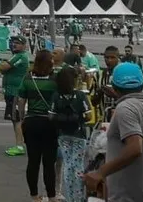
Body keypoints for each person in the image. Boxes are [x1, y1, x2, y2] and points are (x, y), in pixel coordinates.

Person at [83, 62, 143, 202]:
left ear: (114, 87)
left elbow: (135, 148)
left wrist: (100, 172)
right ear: (142, 85)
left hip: (129, 197)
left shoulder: (124, 108)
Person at [16, 49, 59, 202]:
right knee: (49, 162)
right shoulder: (55, 80)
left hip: (31, 122)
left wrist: (22, 119)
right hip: (49, 123)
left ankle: (34, 195)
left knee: (33, 161)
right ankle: (52, 196)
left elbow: (21, 101)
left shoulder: (28, 78)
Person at [54, 65, 93, 202]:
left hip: (63, 134)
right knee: (78, 166)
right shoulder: (80, 95)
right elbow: (89, 115)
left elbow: (51, 116)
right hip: (79, 133)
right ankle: (78, 196)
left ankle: (70, 195)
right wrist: (79, 117)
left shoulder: (57, 96)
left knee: (67, 164)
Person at [0, 34, 30, 157]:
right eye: (13, 43)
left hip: (15, 92)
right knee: (15, 118)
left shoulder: (20, 56)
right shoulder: (16, 56)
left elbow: (3, 67)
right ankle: (20, 143)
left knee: (16, 118)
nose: (14, 45)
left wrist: (4, 66)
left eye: (17, 43)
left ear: (23, 45)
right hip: (11, 91)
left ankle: (19, 145)